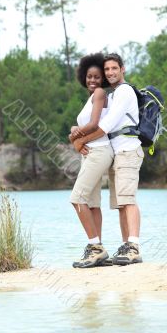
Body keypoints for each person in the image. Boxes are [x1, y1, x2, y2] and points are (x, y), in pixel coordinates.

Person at [73, 53, 144, 265]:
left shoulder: (124, 92)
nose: (110, 73)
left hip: (128, 150)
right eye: (107, 70)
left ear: (123, 69)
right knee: (121, 203)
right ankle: (125, 247)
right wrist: (76, 131)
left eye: (114, 68)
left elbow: (105, 126)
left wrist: (78, 141)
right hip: (116, 152)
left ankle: (134, 246)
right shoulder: (111, 96)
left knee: (128, 200)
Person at [69, 53, 114, 268]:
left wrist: (74, 137)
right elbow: (86, 123)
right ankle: (99, 249)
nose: (93, 80)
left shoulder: (99, 93)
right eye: (89, 77)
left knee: (77, 199)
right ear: (83, 77)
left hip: (98, 152)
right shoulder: (91, 97)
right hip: (91, 153)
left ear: (102, 79)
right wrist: (75, 131)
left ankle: (94, 247)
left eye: (97, 77)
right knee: (93, 204)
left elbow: (95, 123)